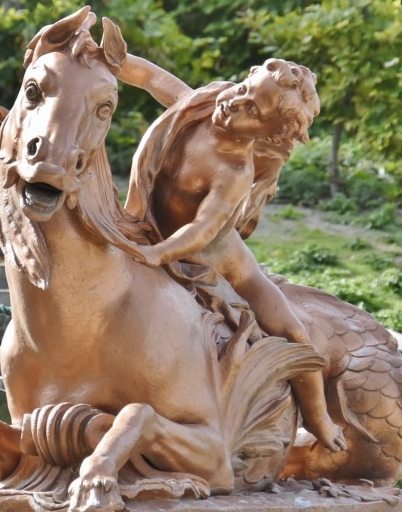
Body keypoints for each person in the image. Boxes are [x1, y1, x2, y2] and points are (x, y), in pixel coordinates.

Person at [121, 56, 347, 452]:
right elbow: (153, 77)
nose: (235, 103)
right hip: (150, 228)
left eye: (252, 111)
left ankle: (319, 419)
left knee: (295, 333)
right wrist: (110, 59)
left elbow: (201, 231)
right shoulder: (205, 104)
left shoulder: (234, 170)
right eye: (243, 90)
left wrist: (155, 255)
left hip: (218, 259)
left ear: (269, 135)